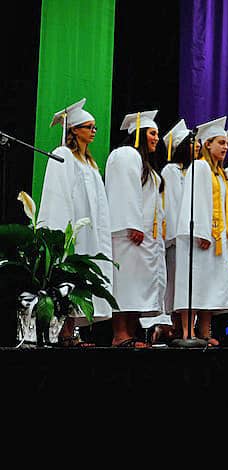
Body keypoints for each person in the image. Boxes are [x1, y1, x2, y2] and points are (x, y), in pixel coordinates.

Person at [37, 98, 113, 347]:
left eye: (94, 127)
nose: (93, 131)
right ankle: (63, 333)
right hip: (70, 228)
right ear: (74, 130)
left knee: (81, 279)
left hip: (87, 230)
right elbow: (57, 196)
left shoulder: (90, 163)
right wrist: (62, 232)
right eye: (89, 126)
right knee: (66, 277)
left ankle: (72, 332)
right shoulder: (63, 155)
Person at [172, 117, 228, 346]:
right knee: (195, 282)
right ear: (207, 143)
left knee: (210, 284)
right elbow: (195, 201)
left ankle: (205, 331)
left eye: (226, 143)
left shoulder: (220, 173)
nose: (225, 147)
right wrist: (201, 232)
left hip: (217, 237)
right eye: (221, 142)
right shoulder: (199, 167)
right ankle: (188, 332)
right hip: (200, 238)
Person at [105, 110, 167, 347]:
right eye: (152, 133)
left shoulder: (144, 163)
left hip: (142, 236)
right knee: (125, 284)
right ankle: (120, 334)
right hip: (128, 234)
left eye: (157, 134)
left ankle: (129, 334)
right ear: (140, 134)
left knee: (136, 286)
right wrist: (132, 224)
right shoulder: (126, 154)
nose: (157, 138)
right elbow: (123, 191)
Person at [157, 119, 197, 343]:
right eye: (192, 143)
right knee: (175, 283)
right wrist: (173, 236)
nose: (197, 146)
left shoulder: (194, 171)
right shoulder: (172, 171)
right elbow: (171, 205)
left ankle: (185, 325)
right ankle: (173, 325)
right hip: (178, 238)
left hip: (191, 238)